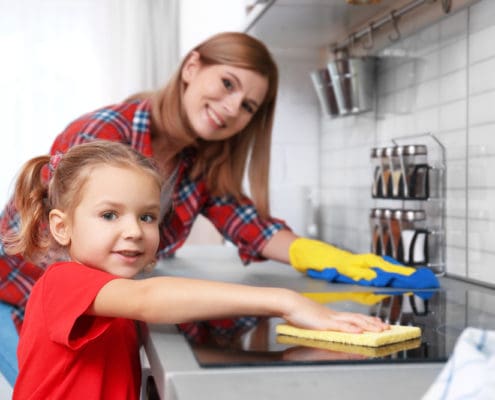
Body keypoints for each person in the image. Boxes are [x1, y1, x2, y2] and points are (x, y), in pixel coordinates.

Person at [0, 31, 415, 385]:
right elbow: (115, 284)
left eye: (249, 106)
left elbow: (250, 226)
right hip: (18, 297)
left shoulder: (197, 160)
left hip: (104, 304)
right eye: (228, 84)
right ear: (192, 67)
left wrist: (329, 257)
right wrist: (285, 301)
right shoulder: (105, 134)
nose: (233, 108)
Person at [5, 140, 388, 399]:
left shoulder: (114, 296)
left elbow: (191, 348)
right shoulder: (63, 283)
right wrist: (284, 301)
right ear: (61, 226)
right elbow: (150, 298)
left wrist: (286, 358)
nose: (134, 231)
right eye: (109, 215)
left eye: (147, 216)